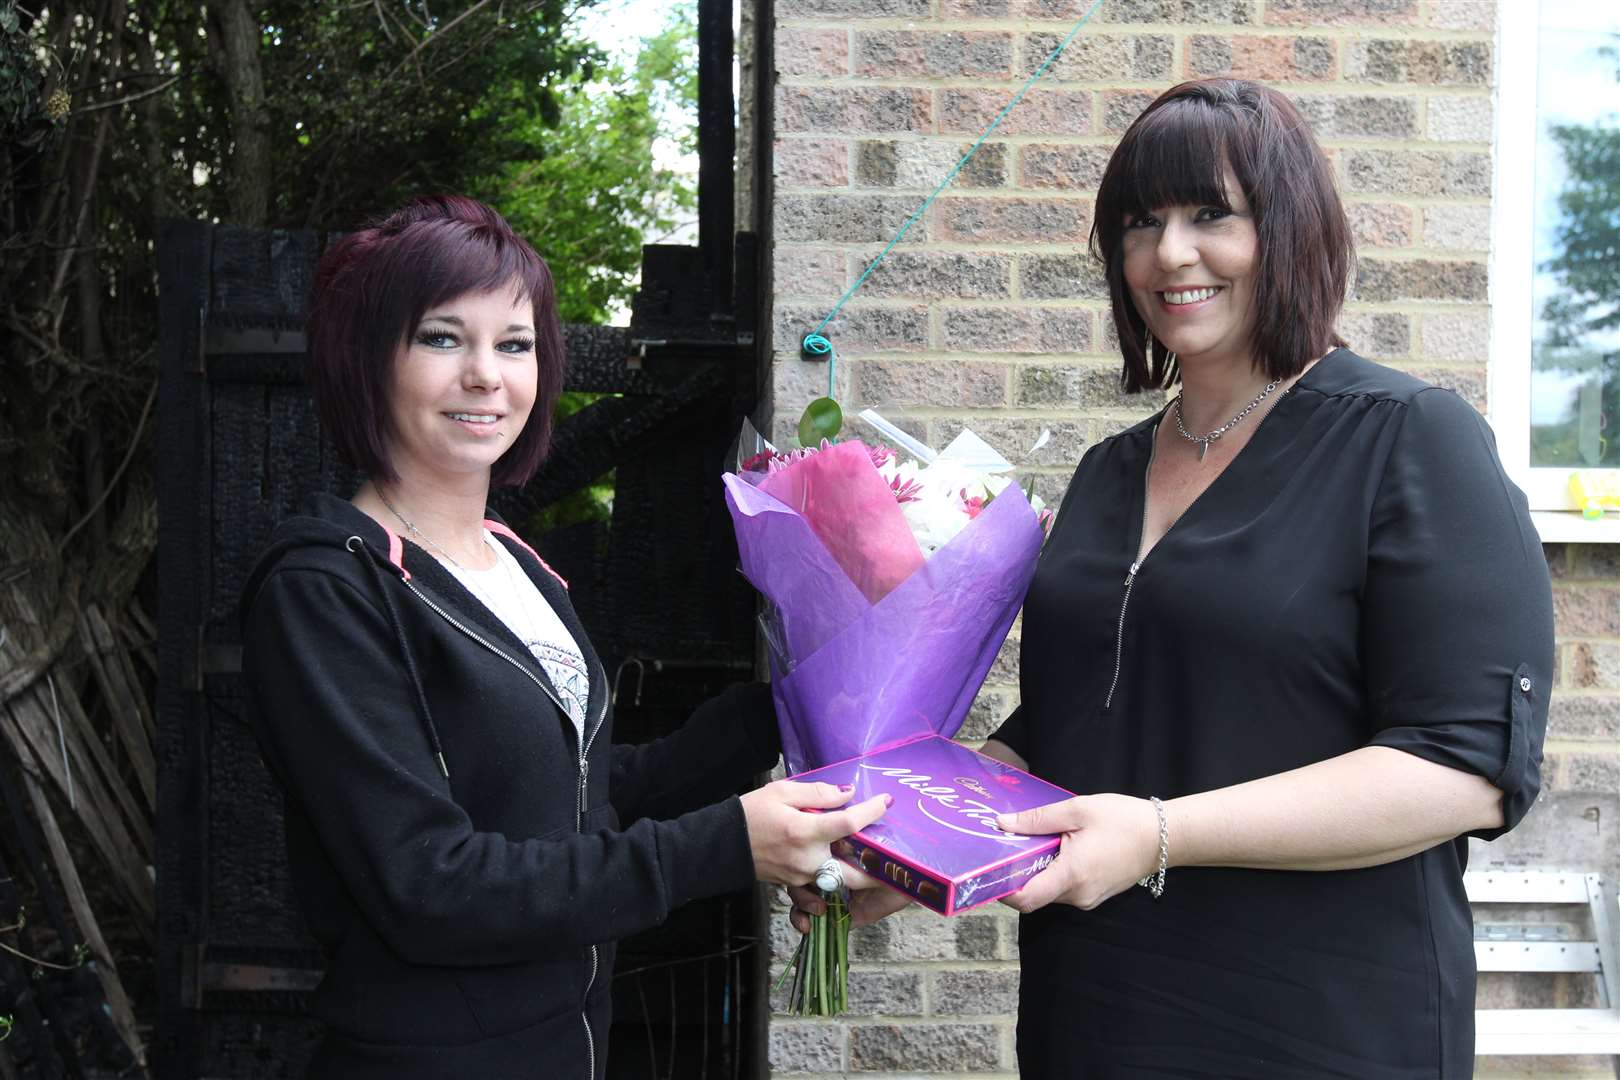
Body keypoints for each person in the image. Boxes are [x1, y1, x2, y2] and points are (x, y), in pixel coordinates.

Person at [973, 80, 1553, 1078]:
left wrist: (1160, 835)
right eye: (1140, 223)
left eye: (1212, 215)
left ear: (1289, 232)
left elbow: (1461, 770)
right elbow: (1076, 720)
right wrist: (917, 839)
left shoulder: (1411, 441)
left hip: (1314, 1024)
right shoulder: (1109, 472)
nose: (1170, 254)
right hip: (1095, 1015)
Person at [240, 195, 888, 1080]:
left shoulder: (518, 566)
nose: (485, 375)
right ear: (367, 359)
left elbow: (571, 786)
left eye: (514, 344)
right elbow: (430, 884)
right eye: (441, 338)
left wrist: (798, 702)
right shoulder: (326, 589)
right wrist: (724, 846)